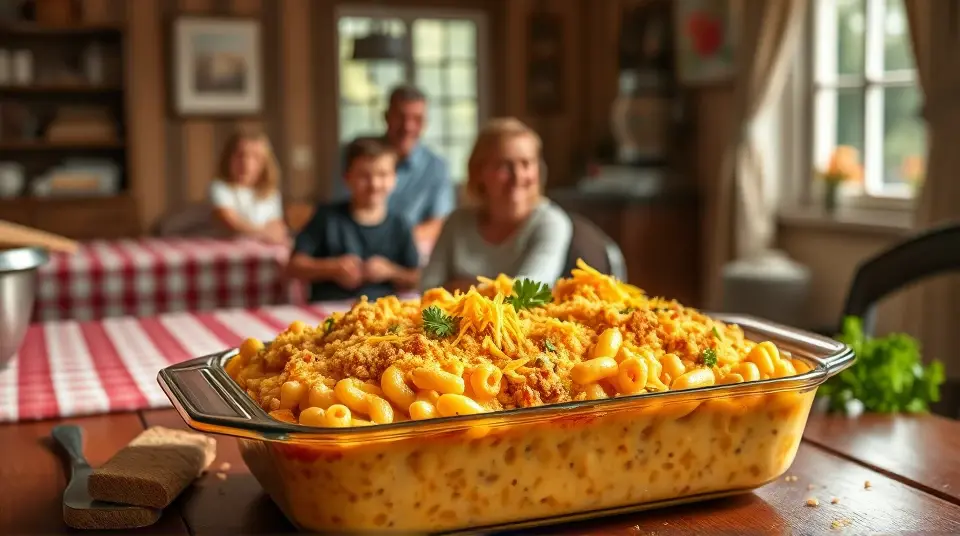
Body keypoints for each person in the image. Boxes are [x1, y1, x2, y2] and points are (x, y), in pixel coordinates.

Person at [420, 118, 572, 292]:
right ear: (478, 172)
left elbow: (529, 292)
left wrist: (461, 287)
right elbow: (428, 288)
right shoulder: (456, 222)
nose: (518, 176)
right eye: (504, 165)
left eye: (526, 163)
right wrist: (499, 288)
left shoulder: (551, 222)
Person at [289, 137, 420, 302]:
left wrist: (390, 271)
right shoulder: (326, 217)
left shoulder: (400, 224)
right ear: (347, 177)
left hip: (382, 312)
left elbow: (417, 277)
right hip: (329, 309)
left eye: (382, 174)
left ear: (394, 178)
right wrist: (332, 268)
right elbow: (294, 266)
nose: (374, 184)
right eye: (364, 176)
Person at [332, 84, 455, 246]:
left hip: (410, 246)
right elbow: (340, 209)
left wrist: (396, 243)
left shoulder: (437, 167)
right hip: (355, 245)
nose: (407, 126)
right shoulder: (358, 155)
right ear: (386, 117)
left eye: (417, 119)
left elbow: (439, 222)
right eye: (400, 117)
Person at [209, 129, 289, 245]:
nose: (246, 163)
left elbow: (276, 224)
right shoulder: (220, 188)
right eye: (240, 156)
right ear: (228, 159)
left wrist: (277, 232)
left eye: (256, 158)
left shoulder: (270, 193)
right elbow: (230, 222)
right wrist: (263, 233)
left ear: (265, 164)